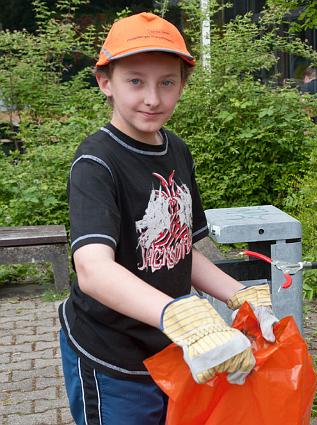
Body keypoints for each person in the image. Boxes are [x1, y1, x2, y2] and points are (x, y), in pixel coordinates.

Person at [58, 12, 278, 424]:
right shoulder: (96, 163)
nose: (153, 99)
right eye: (136, 81)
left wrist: (240, 295)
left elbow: (179, 251)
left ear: (182, 85)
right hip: (112, 357)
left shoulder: (176, 150)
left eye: (167, 82)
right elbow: (92, 270)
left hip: (172, 349)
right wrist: (180, 315)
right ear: (105, 82)